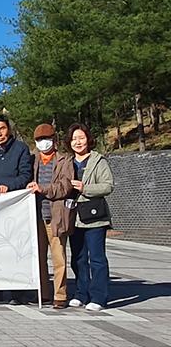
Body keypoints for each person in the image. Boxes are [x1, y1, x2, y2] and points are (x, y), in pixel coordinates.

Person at [67, 123, 114, 312]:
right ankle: (81, 293)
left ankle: (99, 297)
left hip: (95, 217)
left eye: (81, 138)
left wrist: (85, 188)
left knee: (97, 258)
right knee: (78, 259)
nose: (78, 142)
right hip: (74, 216)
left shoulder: (98, 160)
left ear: (88, 139)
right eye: (74, 139)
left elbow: (108, 186)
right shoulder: (68, 162)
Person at [26, 123, 75, 308]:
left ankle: (60, 295)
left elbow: (66, 186)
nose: (43, 143)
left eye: (46, 139)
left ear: (54, 140)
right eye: (39, 140)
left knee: (58, 257)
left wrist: (43, 188)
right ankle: (43, 293)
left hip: (54, 216)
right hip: (35, 216)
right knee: (38, 257)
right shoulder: (33, 161)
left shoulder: (65, 160)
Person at [0, 116, 32, 194]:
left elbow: (26, 175)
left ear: (9, 130)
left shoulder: (21, 148)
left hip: (14, 198)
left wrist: (9, 186)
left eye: (2, 129)